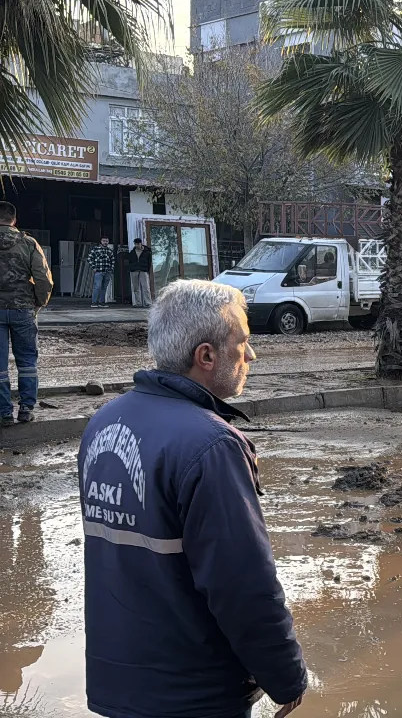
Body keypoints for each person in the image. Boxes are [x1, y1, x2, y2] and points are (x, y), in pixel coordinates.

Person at [78, 280, 306, 718]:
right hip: (193, 693)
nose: (251, 355)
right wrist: (285, 675)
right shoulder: (211, 445)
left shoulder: (103, 423)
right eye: (242, 342)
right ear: (206, 356)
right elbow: (242, 584)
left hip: (119, 683)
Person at [0, 201, 53, 426]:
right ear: (14, 220)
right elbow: (43, 278)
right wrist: (39, 303)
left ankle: (4, 413)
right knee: (27, 362)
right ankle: (26, 409)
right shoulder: (28, 242)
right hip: (23, 309)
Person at [87, 236, 115, 307]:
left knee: (104, 287)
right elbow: (89, 258)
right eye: (104, 241)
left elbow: (112, 260)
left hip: (107, 272)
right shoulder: (96, 249)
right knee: (97, 286)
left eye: (107, 241)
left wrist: (111, 269)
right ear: (101, 241)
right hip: (99, 271)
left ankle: (102, 302)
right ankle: (94, 302)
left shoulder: (109, 250)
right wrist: (93, 267)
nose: (105, 242)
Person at [126, 238, 152, 308]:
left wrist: (147, 270)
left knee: (145, 287)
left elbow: (149, 262)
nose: (137, 245)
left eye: (138, 244)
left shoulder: (147, 252)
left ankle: (148, 303)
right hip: (134, 271)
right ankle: (138, 303)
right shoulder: (132, 252)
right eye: (136, 244)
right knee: (136, 288)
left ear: (141, 243)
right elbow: (130, 261)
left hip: (143, 270)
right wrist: (131, 269)